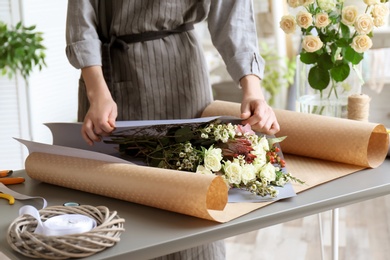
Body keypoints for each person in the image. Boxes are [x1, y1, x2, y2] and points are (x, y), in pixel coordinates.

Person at [66, 1, 280, 259]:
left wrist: (252, 89)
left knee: (194, 207)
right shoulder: (100, 91)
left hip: (183, 80)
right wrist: (96, 92)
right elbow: (82, 15)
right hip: (108, 85)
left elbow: (232, 12)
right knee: (121, 210)